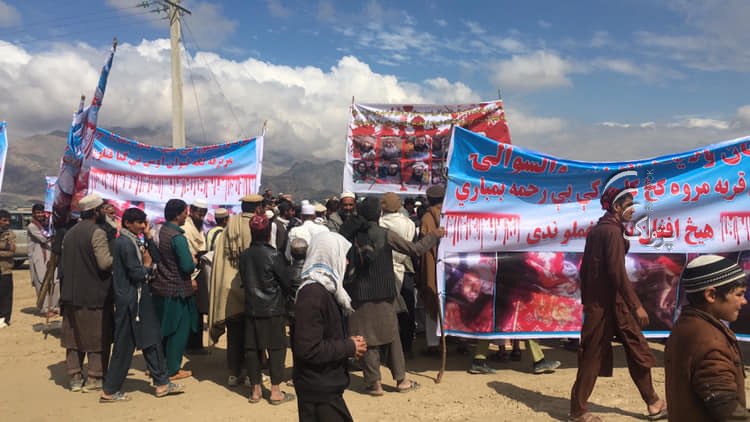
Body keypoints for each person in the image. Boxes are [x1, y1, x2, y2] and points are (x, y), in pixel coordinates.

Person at [569, 187, 667, 422]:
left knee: (636, 350)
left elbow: (587, 270)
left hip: (607, 305)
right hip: (609, 305)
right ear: (617, 207)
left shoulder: (599, 230)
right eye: (629, 205)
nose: (633, 210)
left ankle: (653, 402)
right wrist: (636, 305)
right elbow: (616, 272)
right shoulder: (611, 232)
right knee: (594, 354)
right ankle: (578, 410)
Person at [343, 197, 443, 396]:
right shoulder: (386, 234)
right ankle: (401, 381)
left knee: (366, 338)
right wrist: (434, 235)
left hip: (358, 294)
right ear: (378, 214)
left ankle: (374, 384)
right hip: (385, 292)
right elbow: (415, 250)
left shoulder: (350, 234)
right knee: (391, 336)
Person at [100, 208, 185, 402]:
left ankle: (162, 383)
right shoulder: (125, 243)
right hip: (131, 302)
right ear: (129, 223)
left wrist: (147, 237)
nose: (142, 226)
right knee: (124, 346)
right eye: (139, 223)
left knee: (151, 339)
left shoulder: (133, 240)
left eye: (144, 223)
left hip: (139, 299)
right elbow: (138, 273)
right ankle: (110, 390)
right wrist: (146, 266)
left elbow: (156, 257)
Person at [293, 231, 367, 422]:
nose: (346, 262)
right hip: (318, 392)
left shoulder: (327, 291)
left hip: (324, 387)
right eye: (342, 256)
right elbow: (308, 348)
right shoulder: (312, 295)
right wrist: (349, 347)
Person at [665, 255, 748, 421]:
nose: (744, 301)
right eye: (739, 294)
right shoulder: (712, 345)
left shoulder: (686, 324)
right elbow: (726, 408)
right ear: (711, 295)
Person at [60, 194, 114, 392]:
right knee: (95, 336)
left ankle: (74, 377)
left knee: (73, 338)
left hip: (70, 294)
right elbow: (104, 262)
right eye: (102, 209)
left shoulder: (70, 232)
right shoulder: (97, 232)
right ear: (96, 212)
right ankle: (94, 377)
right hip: (93, 294)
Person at [208, 194, 263, 387]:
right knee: (252, 334)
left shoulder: (227, 229)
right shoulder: (256, 227)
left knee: (234, 333)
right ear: (258, 208)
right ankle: (250, 374)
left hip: (228, 289)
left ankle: (233, 373)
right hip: (250, 289)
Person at [240, 214, 294, 405]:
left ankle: (255, 391)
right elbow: (286, 282)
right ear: (267, 233)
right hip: (272, 309)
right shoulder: (274, 255)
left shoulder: (244, 255)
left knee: (252, 349)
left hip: (252, 309)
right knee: (277, 349)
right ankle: (275, 391)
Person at [151, 199, 198, 381]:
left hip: (161, 287)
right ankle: (173, 369)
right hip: (178, 289)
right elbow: (186, 266)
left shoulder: (161, 231)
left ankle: (158, 365)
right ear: (178, 214)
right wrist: (193, 261)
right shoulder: (177, 237)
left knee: (163, 329)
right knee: (179, 330)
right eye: (185, 212)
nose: (187, 215)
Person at [379, 192, 417, 358]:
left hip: (384, 270)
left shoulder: (380, 223)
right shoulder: (409, 223)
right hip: (405, 268)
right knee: (407, 310)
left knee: (385, 310)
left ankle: (387, 349)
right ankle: (406, 347)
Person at [417, 185, 444, 356]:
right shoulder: (450, 214)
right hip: (450, 266)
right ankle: (459, 341)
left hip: (432, 265)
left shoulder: (427, 217)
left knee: (431, 302)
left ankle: (433, 344)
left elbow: (422, 245)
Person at [183, 200, 209, 354]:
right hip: (190, 273)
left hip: (199, 271)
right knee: (191, 310)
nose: (201, 215)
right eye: (199, 212)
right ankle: (190, 344)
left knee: (199, 310)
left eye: (203, 213)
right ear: (191, 211)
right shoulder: (186, 229)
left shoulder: (199, 228)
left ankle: (196, 344)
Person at [28, 204, 56, 316]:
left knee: (54, 281)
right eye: (37, 212)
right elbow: (44, 238)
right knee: (41, 281)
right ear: (33, 213)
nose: (40, 215)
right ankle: (44, 308)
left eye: (41, 212)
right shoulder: (32, 226)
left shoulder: (48, 224)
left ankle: (53, 306)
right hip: (38, 257)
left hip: (50, 255)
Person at [0, 209, 15, 329]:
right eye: (4, 220)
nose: (7, 222)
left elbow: (11, 251)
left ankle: (5, 318)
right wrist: (3, 247)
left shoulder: (10, 235)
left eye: (8, 220)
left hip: (5, 270)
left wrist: (6, 249)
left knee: (6, 295)